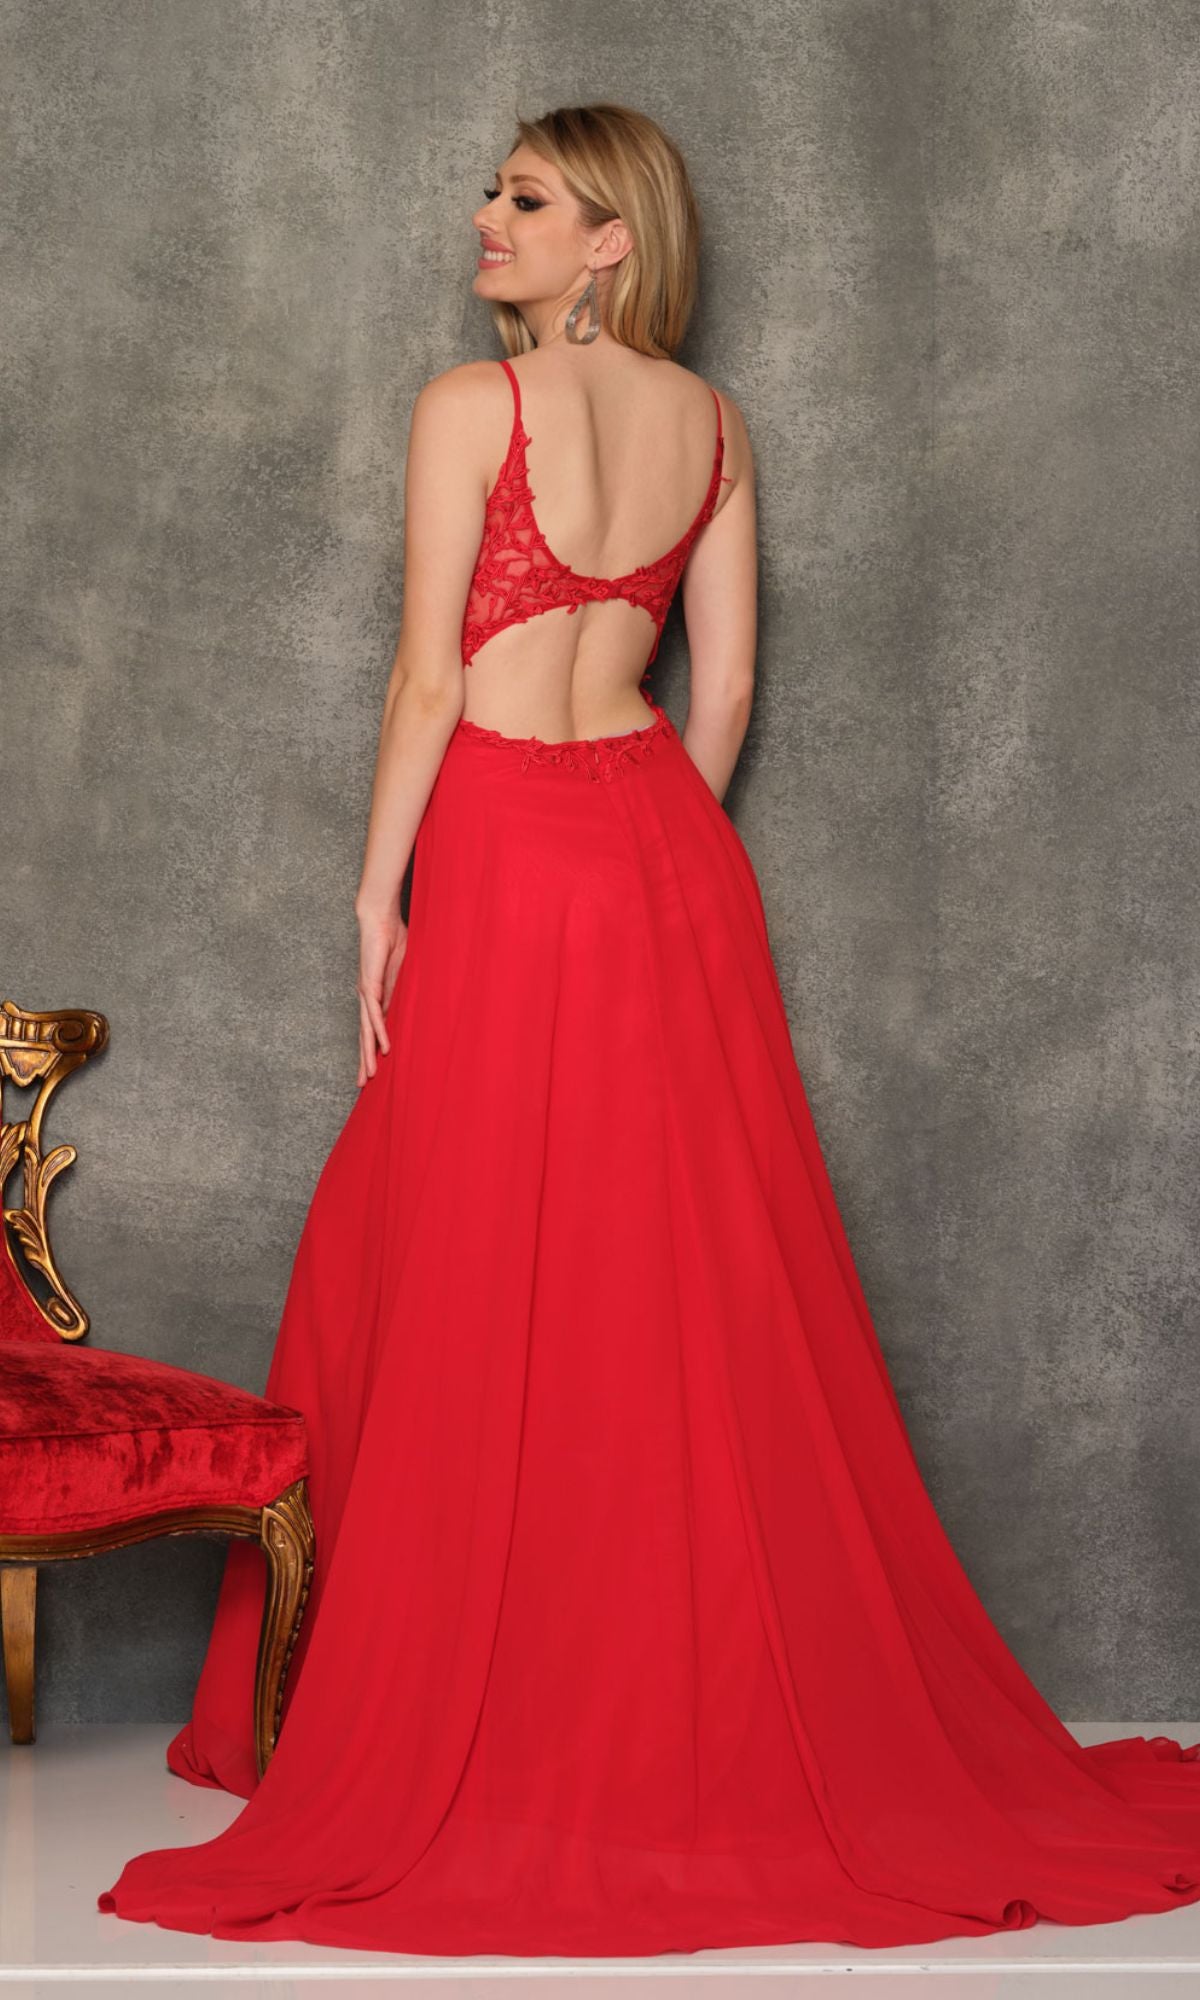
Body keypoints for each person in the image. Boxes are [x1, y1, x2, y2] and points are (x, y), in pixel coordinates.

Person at [98, 101, 1200, 1958]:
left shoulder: (475, 406)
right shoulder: (717, 425)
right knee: (670, 1283)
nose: (488, 219)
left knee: (473, 1256)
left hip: (514, 837)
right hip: (662, 855)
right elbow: (735, 676)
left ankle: (474, 1708)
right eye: (493, 190)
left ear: (611, 239)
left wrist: (380, 895)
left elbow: (434, 670)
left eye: (527, 199)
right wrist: (651, 854)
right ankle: (662, 1702)